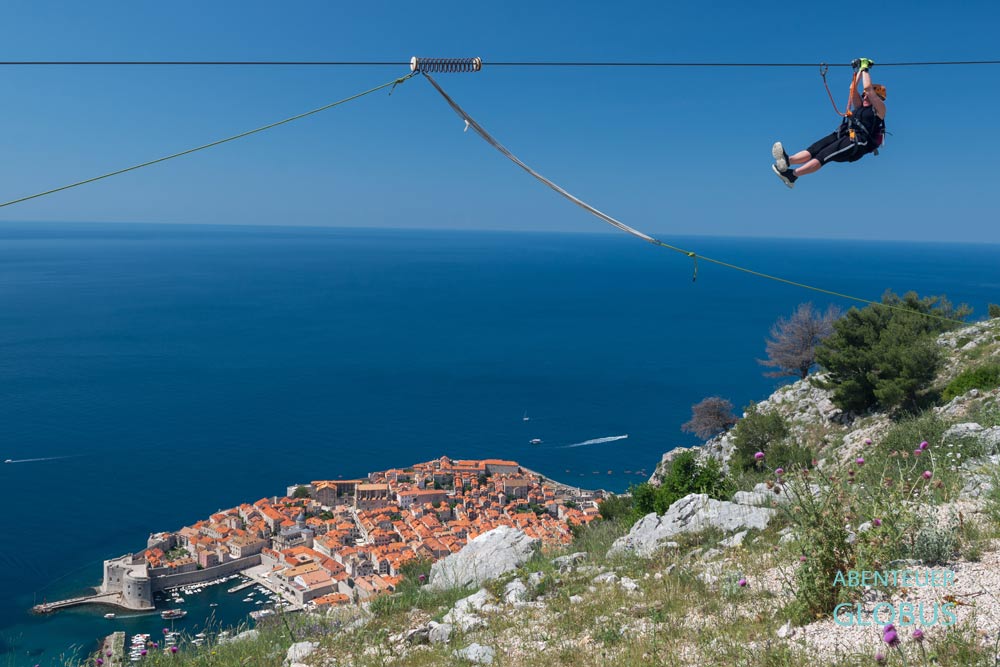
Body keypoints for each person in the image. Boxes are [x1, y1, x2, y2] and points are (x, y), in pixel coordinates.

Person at [772, 58, 887, 188]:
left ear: (877, 98)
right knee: (815, 148)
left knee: (823, 155)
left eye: (868, 95)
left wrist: (865, 68)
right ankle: (788, 161)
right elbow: (853, 88)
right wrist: (859, 70)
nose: (865, 96)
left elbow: (867, 87)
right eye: (864, 94)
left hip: (857, 142)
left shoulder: (880, 110)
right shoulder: (860, 106)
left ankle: (793, 175)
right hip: (844, 133)